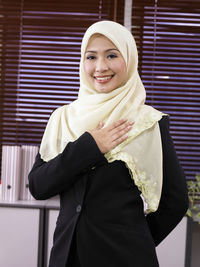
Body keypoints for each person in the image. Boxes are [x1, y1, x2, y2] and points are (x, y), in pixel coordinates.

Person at [28, 20, 188, 267]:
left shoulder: (147, 121)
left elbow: (175, 201)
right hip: (66, 257)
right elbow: (39, 186)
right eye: (91, 57)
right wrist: (89, 146)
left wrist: (136, 243)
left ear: (129, 59)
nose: (100, 67)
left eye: (112, 55)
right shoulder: (63, 118)